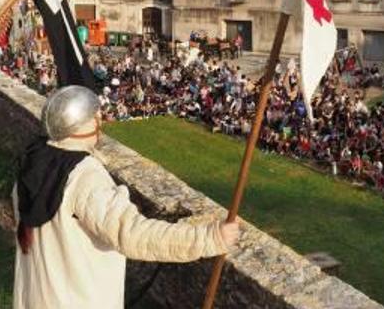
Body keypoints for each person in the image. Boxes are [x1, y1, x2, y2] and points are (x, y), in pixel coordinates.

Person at [13, 86, 240, 308]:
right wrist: (211, 238)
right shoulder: (84, 177)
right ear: (86, 124)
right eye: (95, 117)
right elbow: (133, 235)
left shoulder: (32, 163)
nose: (99, 121)